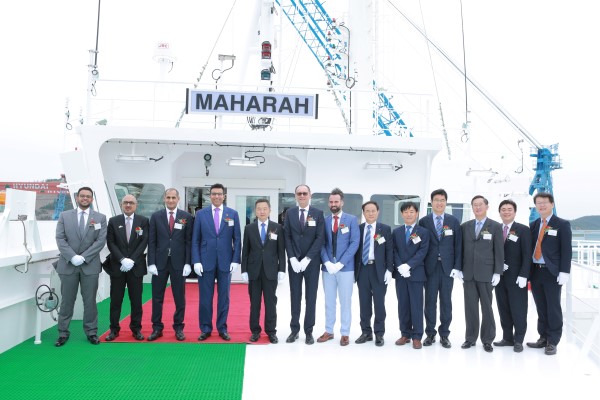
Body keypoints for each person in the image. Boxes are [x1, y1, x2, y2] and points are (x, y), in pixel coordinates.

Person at [54, 187, 107, 347]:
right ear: (77, 197)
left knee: (90, 301)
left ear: (92, 199)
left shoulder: (100, 218)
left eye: (88, 196)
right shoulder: (64, 216)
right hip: (68, 265)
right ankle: (63, 333)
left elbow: (100, 241)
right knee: (67, 301)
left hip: (90, 265)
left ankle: (91, 332)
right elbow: (60, 238)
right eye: (82, 196)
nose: (85, 198)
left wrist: (83, 257)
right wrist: (72, 257)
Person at [192, 183, 241, 341]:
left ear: (224, 196)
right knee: (205, 298)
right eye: (214, 194)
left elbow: (237, 239)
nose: (217, 196)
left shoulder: (232, 214)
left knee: (224, 297)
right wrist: (196, 261)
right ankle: (205, 328)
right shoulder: (201, 214)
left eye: (219, 194)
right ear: (210, 195)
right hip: (205, 261)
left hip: (226, 262)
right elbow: (195, 240)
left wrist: (235, 260)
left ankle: (222, 328)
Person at [527, 192, 572, 355]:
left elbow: (566, 250)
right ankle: (543, 337)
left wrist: (564, 271)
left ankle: (553, 341)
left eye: (544, 202)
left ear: (552, 204)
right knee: (540, 306)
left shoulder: (562, 224)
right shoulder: (533, 225)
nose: (541, 205)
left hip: (552, 272)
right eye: (538, 203)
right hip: (535, 271)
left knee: (553, 307)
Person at [418, 188, 462, 349]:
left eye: (442, 200)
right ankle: (430, 333)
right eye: (436, 200)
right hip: (430, 268)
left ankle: (444, 334)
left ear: (446, 202)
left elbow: (458, 246)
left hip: (447, 268)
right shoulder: (424, 221)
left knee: (446, 302)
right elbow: (420, 245)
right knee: (429, 301)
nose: (439, 203)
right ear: (431, 202)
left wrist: (457, 267)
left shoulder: (453, 221)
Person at [147, 188, 193, 341]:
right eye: (168, 197)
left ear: (178, 199)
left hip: (179, 263)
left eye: (173, 197)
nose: (171, 200)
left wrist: (188, 263)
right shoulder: (156, 216)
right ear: (164, 199)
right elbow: (152, 241)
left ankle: (178, 327)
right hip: (159, 263)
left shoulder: (186, 217)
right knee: (157, 297)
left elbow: (188, 241)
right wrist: (151, 263)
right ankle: (157, 328)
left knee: (179, 297)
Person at [460, 195, 504, 352]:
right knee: (470, 307)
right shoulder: (465, 226)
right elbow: (460, 249)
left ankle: (487, 339)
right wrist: (459, 268)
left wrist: (498, 272)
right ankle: (470, 338)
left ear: (487, 206)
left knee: (487, 307)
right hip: (468, 273)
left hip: (486, 273)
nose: (477, 207)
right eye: (475, 205)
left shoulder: (495, 226)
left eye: (480, 204)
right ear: (472, 207)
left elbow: (499, 250)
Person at [317, 188, 359, 346]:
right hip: (328, 268)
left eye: (336, 201)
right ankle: (329, 330)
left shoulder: (351, 220)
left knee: (345, 302)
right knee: (329, 301)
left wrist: (341, 263)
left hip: (346, 268)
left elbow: (354, 242)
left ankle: (345, 333)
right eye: (331, 202)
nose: (333, 204)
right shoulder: (325, 220)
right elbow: (321, 243)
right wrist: (327, 262)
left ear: (342, 202)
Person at [104, 194, 149, 341]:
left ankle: (136, 329)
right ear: (121, 204)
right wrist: (122, 259)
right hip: (118, 267)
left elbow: (144, 241)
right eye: (125, 203)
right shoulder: (113, 221)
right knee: (116, 300)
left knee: (136, 301)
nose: (128, 205)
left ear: (136, 205)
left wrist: (132, 260)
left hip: (136, 268)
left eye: (131, 203)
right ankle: (114, 329)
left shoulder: (143, 221)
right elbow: (110, 242)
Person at [284, 184, 325, 345]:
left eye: (304, 193)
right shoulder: (290, 213)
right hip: (294, 263)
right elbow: (287, 236)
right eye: (299, 193)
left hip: (311, 263)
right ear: (295, 196)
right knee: (295, 296)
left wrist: (307, 258)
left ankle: (309, 331)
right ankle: (294, 330)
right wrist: (292, 258)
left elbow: (320, 238)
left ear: (310, 195)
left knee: (311, 297)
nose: (302, 196)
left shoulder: (318, 214)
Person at [241, 199, 286, 344]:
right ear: (255, 211)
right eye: (259, 209)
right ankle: (255, 331)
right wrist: (244, 270)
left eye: (265, 208)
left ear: (269, 210)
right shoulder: (249, 228)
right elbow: (245, 251)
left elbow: (281, 251)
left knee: (270, 303)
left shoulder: (277, 227)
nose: (262, 211)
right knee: (255, 303)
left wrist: (282, 269)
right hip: (254, 271)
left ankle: (271, 331)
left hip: (270, 271)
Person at [493, 199, 531, 352]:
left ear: (515, 212)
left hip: (516, 278)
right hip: (499, 276)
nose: (506, 212)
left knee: (518, 309)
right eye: (503, 209)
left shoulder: (523, 230)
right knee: (503, 308)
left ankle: (519, 340)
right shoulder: (496, 229)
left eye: (509, 209)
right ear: (499, 212)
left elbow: (527, 254)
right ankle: (507, 337)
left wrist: (524, 275)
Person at [354, 201, 394, 346]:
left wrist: (389, 270)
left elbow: (390, 251)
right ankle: (366, 332)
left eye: (373, 211)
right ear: (363, 213)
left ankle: (379, 333)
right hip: (362, 269)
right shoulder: (358, 229)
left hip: (379, 270)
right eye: (367, 211)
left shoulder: (385, 229)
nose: (370, 213)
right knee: (364, 303)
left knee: (379, 303)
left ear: (378, 212)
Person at [392, 201, 430, 349]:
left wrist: (409, 265)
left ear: (417, 213)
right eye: (406, 212)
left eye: (412, 212)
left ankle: (417, 336)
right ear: (402, 214)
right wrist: (400, 266)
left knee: (416, 305)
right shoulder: (397, 232)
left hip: (416, 274)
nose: (409, 214)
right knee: (403, 305)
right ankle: (405, 334)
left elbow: (423, 251)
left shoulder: (423, 232)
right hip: (401, 274)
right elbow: (394, 251)